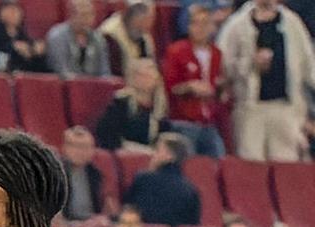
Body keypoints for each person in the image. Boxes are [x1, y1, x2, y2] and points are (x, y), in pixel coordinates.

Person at [218, 0, 315, 161]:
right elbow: (223, 66)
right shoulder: (237, 24)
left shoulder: (292, 22)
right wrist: (250, 64)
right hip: (250, 109)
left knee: (286, 164)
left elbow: (308, 64)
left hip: (286, 108)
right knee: (251, 164)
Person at [164, 6, 229, 157]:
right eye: (195, 23)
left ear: (213, 27)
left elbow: (218, 87)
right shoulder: (177, 51)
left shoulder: (217, 53)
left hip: (209, 120)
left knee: (218, 161)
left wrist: (221, 88)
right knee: (187, 163)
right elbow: (170, 87)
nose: (200, 28)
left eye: (205, 24)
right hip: (184, 120)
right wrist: (191, 87)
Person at [123, 132, 203, 225]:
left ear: (170, 156)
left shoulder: (144, 180)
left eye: (157, 150)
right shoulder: (191, 190)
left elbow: (128, 212)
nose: (153, 155)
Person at [95, 58, 170, 151]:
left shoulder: (160, 107)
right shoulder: (121, 102)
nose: (146, 79)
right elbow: (106, 134)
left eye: (149, 74)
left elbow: (164, 136)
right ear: (132, 78)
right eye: (141, 75)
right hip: (126, 154)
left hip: (152, 155)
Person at [60, 126, 116, 223]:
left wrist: (107, 211)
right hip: (67, 223)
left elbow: (103, 207)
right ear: (65, 148)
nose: (80, 151)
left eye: (86, 147)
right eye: (76, 146)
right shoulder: (56, 173)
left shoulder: (95, 173)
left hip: (92, 222)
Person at [48, 0, 114, 75]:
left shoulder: (98, 39)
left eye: (90, 14)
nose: (88, 19)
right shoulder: (57, 36)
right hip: (67, 84)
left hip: (94, 85)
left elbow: (105, 72)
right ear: (71, 15)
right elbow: (61, 70)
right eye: (83, 15)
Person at [0, 0, 48, 71]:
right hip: (1, 71)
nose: (14, 13)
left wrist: (35, 52)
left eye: (17, 10)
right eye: (10, 10)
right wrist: (13, 48)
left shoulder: (23, 36)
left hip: (25, 74)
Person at [99, 0, 160, 72]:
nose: (149, 22)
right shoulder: (109, 33)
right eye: (137, 12)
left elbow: (152, 66)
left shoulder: (145, 36)